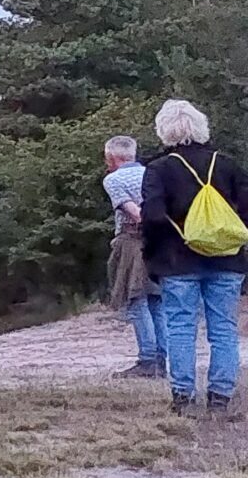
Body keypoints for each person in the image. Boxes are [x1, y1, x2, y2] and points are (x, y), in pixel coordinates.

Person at [140, 99, 247, 419]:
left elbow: (153, 216)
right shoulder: (227, 164)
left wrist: (152, 256)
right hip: (227, 259)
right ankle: (220, 395)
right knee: (224, 328)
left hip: (177, 260)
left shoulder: (158, 169)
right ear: (201, 126)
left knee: (181, 327)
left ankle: (183, 395)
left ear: (163, 130)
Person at [104, 135, 166, 379]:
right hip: (161, 242)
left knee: (136, 298)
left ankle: (147, 360)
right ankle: (162, 360)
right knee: (157, 302)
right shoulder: (153, 175)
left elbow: (135, 213)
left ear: (112, 157)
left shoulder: (114, 179)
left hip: (132, 243)